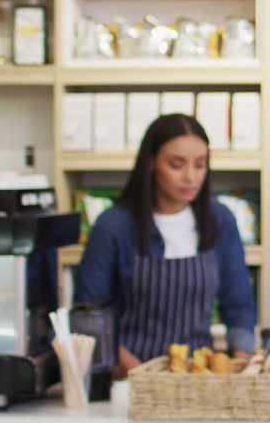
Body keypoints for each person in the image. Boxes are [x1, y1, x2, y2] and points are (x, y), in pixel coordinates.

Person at [74, 114, 257, 378]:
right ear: (151, 162)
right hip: (129, 380)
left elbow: (238, 304)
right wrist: (140, 375)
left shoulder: (220, 220)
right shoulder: (114, 226)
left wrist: (243, 365)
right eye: (176, 165)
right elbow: (90, 315)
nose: (189, 177)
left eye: (200, 165)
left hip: (196, 379)